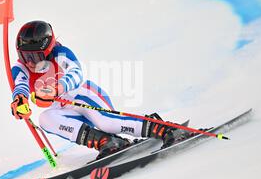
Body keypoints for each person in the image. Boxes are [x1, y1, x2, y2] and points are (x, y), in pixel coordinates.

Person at [10, 20, 174, 159]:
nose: (30, 62)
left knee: (106, 122)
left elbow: (76, 73)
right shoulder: (21, 67)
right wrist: (19, 101)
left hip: (84, 95)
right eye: (25, 56)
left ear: (48, 50)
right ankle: (107, 142)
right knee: (45, 119)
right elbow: (21, 86)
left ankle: (163, 128)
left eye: (35, 57)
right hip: (63, 109)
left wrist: (56, 89)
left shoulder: (60, 54)